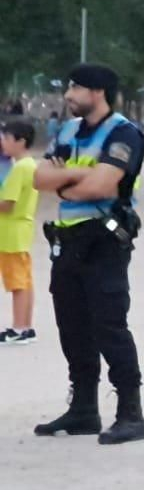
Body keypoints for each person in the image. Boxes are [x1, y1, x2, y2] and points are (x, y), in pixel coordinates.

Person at [30, 63, 144, 443]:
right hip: (68, 239)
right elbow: (38, 177)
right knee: (72, 324)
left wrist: (66, 180)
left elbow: (103, 184)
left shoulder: (124, 133)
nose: (68, 95)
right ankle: (83, 408)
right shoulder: (67, 131)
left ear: (97, 92)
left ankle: (130, 413)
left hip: (104, 240)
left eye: (75, 88)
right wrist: (77, 180)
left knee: (110, 324)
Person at [0, 120, 40, 345]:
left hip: (11, 232)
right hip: (19, 230)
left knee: (17, 283)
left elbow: (8, 204)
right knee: (23, 280)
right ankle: (25, 326)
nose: (2, 143)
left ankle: (19, 327)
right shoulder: (29, 165)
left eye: (6, 138)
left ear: (20, 141)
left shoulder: (20, 168)